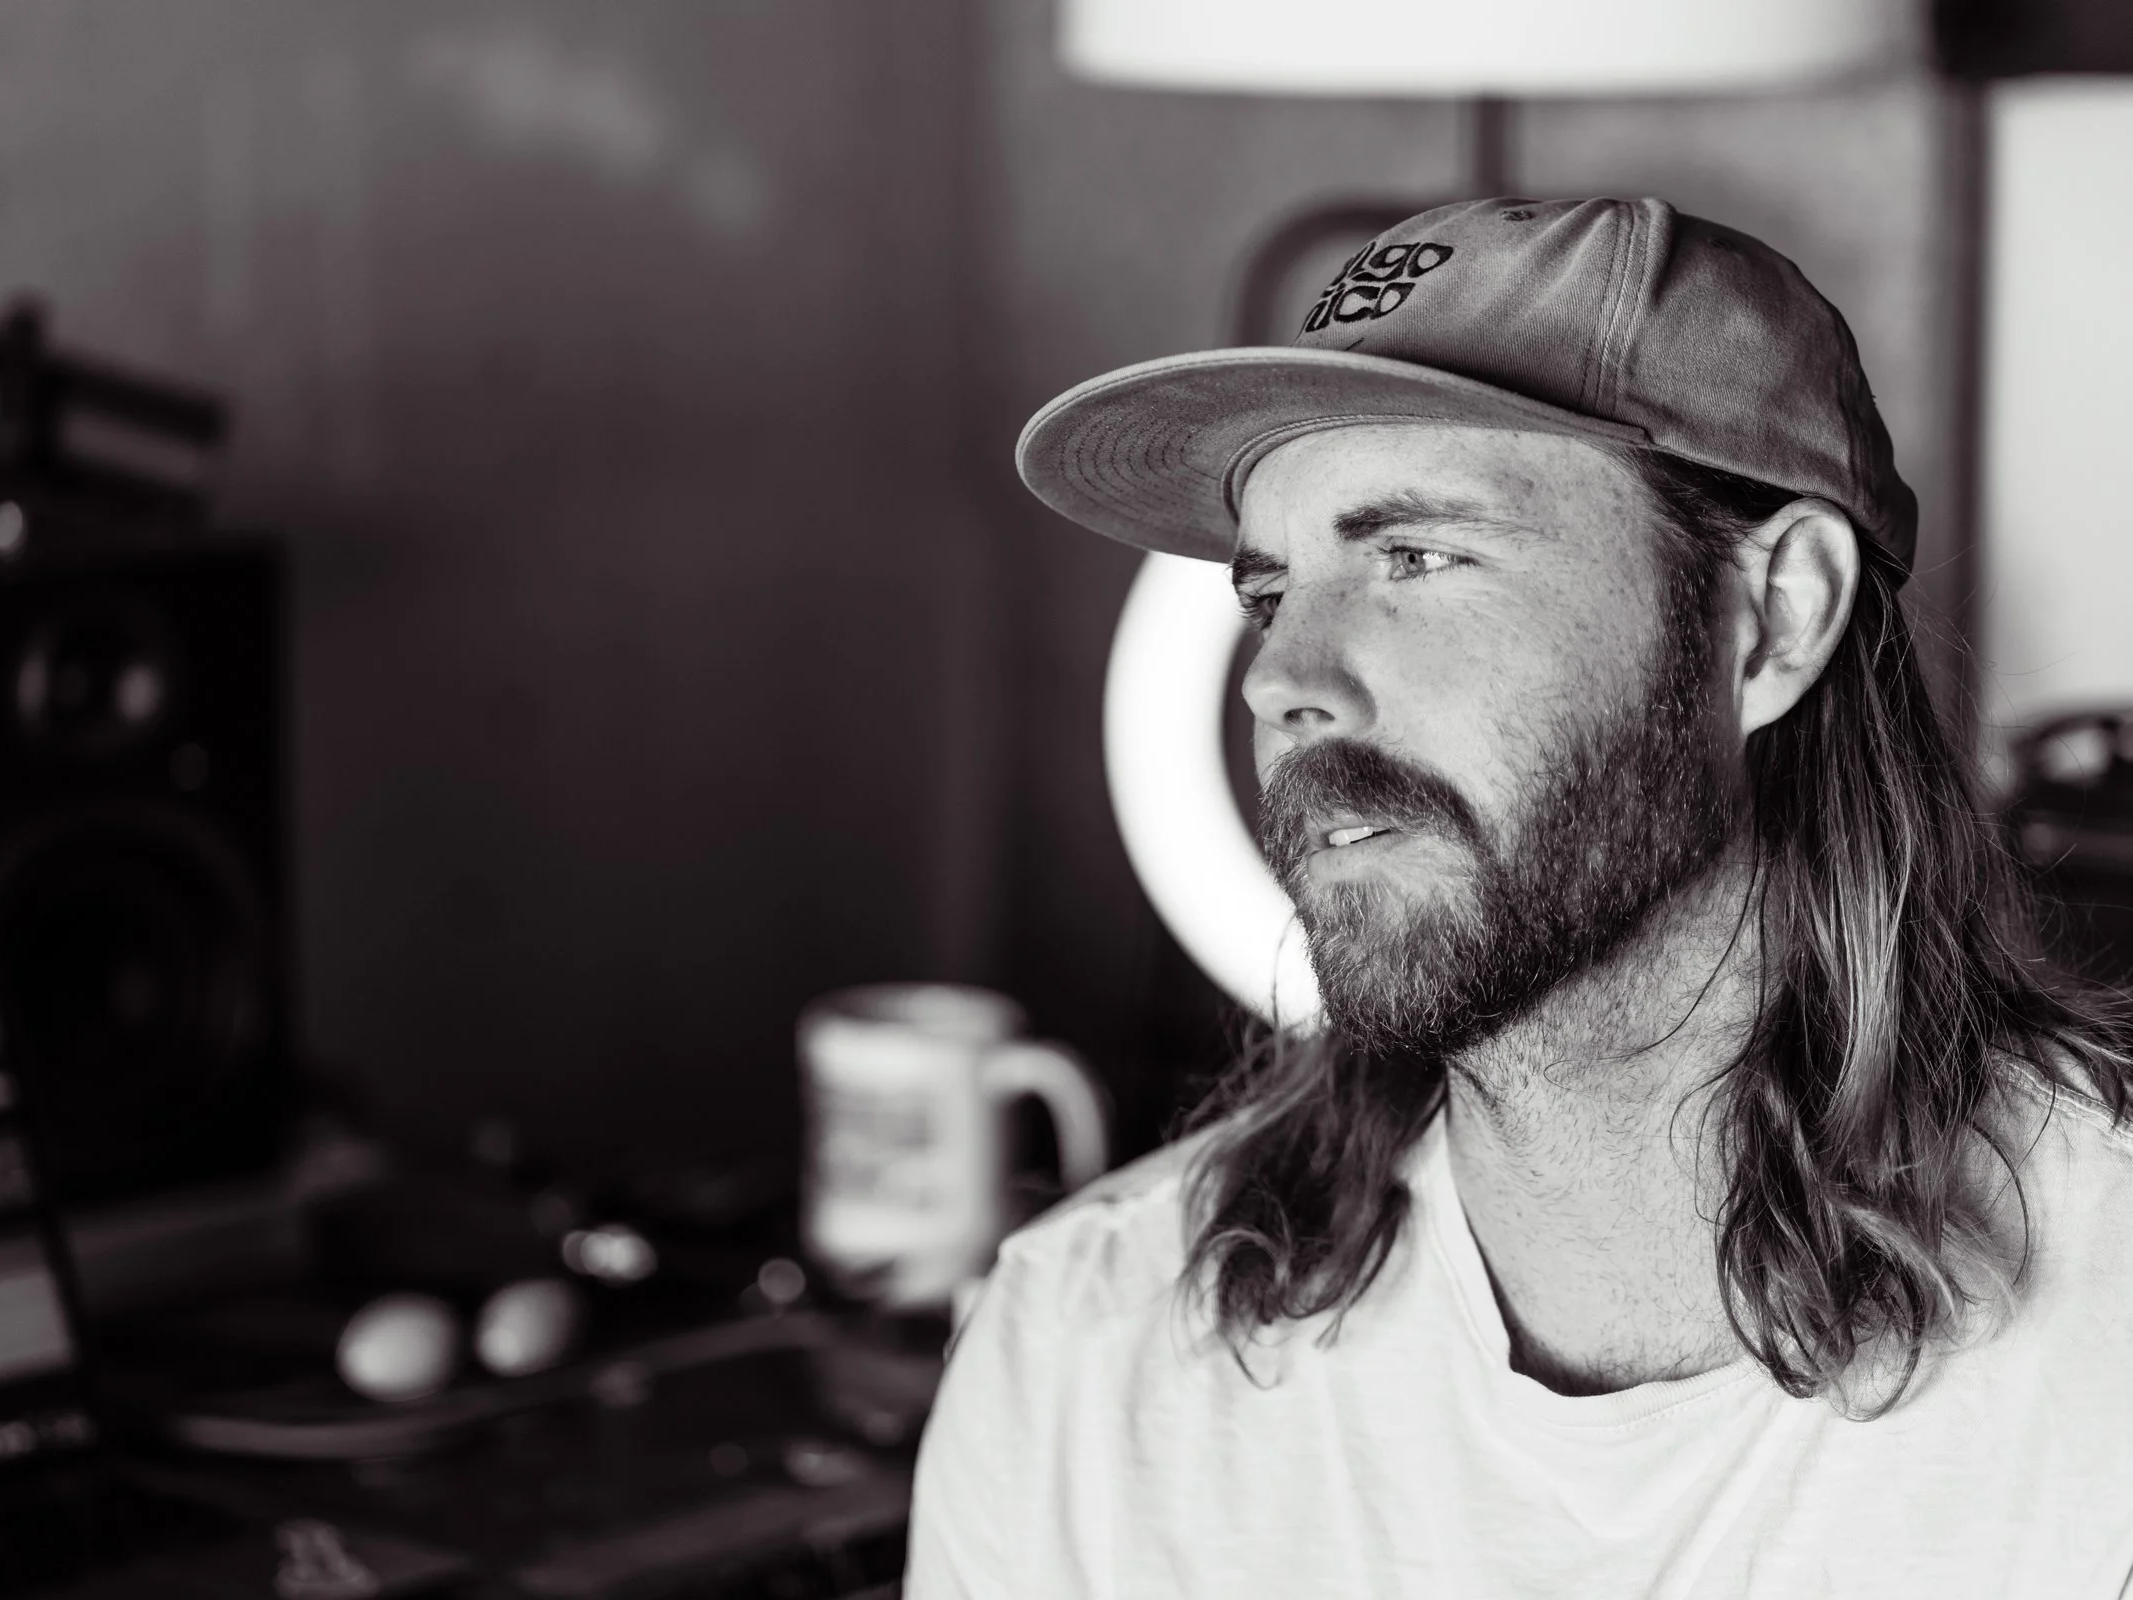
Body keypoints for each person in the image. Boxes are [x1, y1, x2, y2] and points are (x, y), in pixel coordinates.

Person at [904, 197, 2133, 1597]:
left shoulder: (2098, 1377)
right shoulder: (1083, 1364)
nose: (1280, 679)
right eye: (1270, 593)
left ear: (1774, 618)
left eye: (1416, 558)